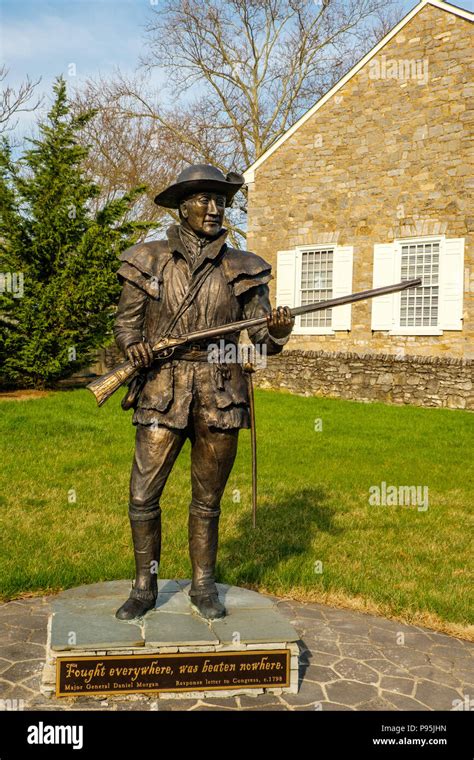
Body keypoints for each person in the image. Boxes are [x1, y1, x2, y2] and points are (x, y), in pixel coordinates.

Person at [113, 164, 293, 621]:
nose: (215, 209)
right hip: (162, 389)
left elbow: (264, 342)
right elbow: (126, 326)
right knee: (142, 495)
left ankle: (203, 586)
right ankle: (143, 585)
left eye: (221, 200)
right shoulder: (146, 259)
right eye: (204, 200)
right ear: (182, 206)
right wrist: (133, 347)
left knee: (207, 501)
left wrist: (279, 331)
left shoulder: (244, 266)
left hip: (221, 391)